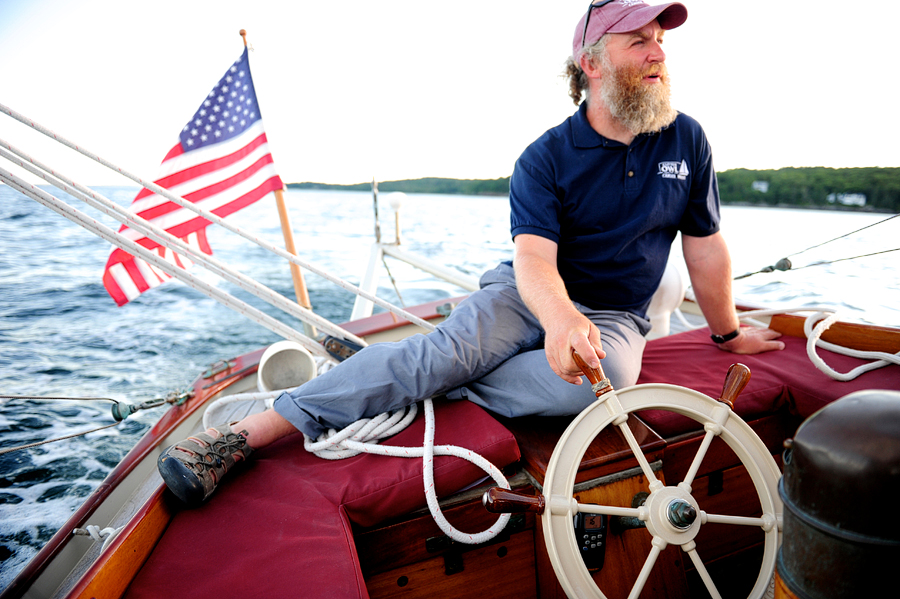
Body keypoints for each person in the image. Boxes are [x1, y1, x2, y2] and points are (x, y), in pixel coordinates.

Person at [158, 0, 785, 506]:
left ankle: (434, 379)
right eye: (639, 41)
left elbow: (705, 246)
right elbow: (535, 261)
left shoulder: (687, 138)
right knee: (446, 350)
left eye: (659, 40)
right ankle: (243, 436)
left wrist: (728, 334)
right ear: (592, 63)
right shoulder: (544, 158)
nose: (658, 54)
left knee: (607, 384)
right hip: (527, 296)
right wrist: (561, 320)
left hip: (615, 315)